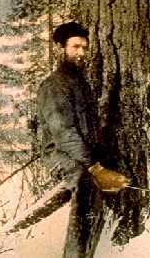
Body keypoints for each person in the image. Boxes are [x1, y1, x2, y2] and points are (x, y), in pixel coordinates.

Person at [37, 22, 130, 257]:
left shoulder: (81, 83)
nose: (81, 53)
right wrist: (96, 168)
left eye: (85, 48)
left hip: (83, 153)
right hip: (61, 156)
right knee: (85, 180)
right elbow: (65, 135)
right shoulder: (54, 86)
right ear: (61, 48)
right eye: (75, 47)